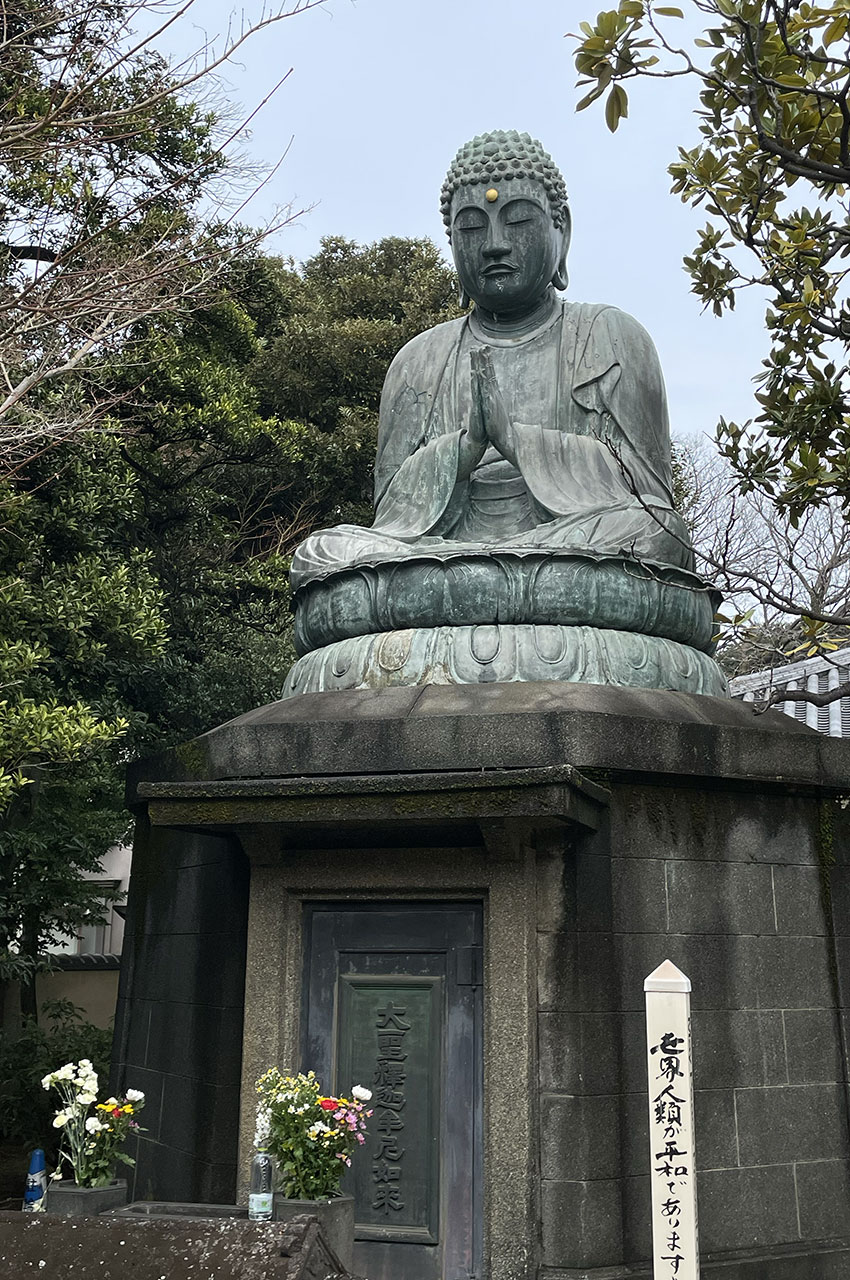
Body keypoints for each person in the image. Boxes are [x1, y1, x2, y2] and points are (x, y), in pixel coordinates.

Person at [291, 129, 695, 595]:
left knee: (656, 533)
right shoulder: (417, 361)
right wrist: (465, 450)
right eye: (471, 227)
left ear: (561, 231)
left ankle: (483, 584)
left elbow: (648, 500)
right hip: (444, 551)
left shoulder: (610, 336)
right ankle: (495, 581)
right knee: (322, 554)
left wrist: (515, 440)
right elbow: (391, 518)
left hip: (574, 543)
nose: (494, 244)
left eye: (518, 221)